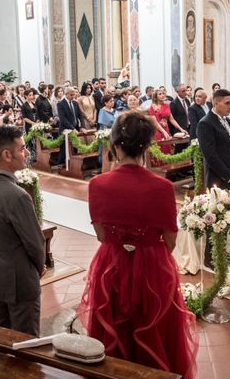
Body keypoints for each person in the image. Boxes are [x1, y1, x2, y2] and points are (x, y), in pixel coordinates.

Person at [77, 111, 198, 378]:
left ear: (116, 145)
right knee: (154, 330)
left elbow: (101, 235)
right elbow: (170, 240)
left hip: (112, 263)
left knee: (114, 329)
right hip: (153, 264)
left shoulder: (97, 184)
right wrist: (147, 250)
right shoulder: (162, 187)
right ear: (146, 146)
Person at [0, 125, 46, 335]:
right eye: (22, 148)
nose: (26, 152)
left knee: (0, 336)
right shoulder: (17, 195)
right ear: (7, 154)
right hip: (20, 280)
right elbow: (35, 242)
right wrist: (39, 267)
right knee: (26, 341)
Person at [196, 89, 230, 189]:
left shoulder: (227, 120)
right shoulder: (205, 123)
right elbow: (210, 155)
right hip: (217, 179)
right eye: (227, 103)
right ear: (216, 103)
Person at [148, 90, 186, 155]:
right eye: (160, 94)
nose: (162, 95)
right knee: (160, 149)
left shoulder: (166, 105)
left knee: (167, 149)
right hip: (157, 130)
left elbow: (172, 119)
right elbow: (155, 122)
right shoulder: (152, 107)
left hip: (166, 129)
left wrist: (181, 129)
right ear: (155, 97)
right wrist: (163, 131)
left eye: (163, 93)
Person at [57, 87, 82, 166]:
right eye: (71, 95)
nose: (73, 96)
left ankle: (74, 163)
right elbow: (63, 119)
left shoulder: (75, 103)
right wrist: (72, 128)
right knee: (64, 149)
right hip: (65, 129)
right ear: (66, 94)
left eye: (74, 94)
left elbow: (80, 116)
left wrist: (82, 126)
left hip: (75, 128)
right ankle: (62, 164)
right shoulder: (60, 104)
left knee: (74, 147)